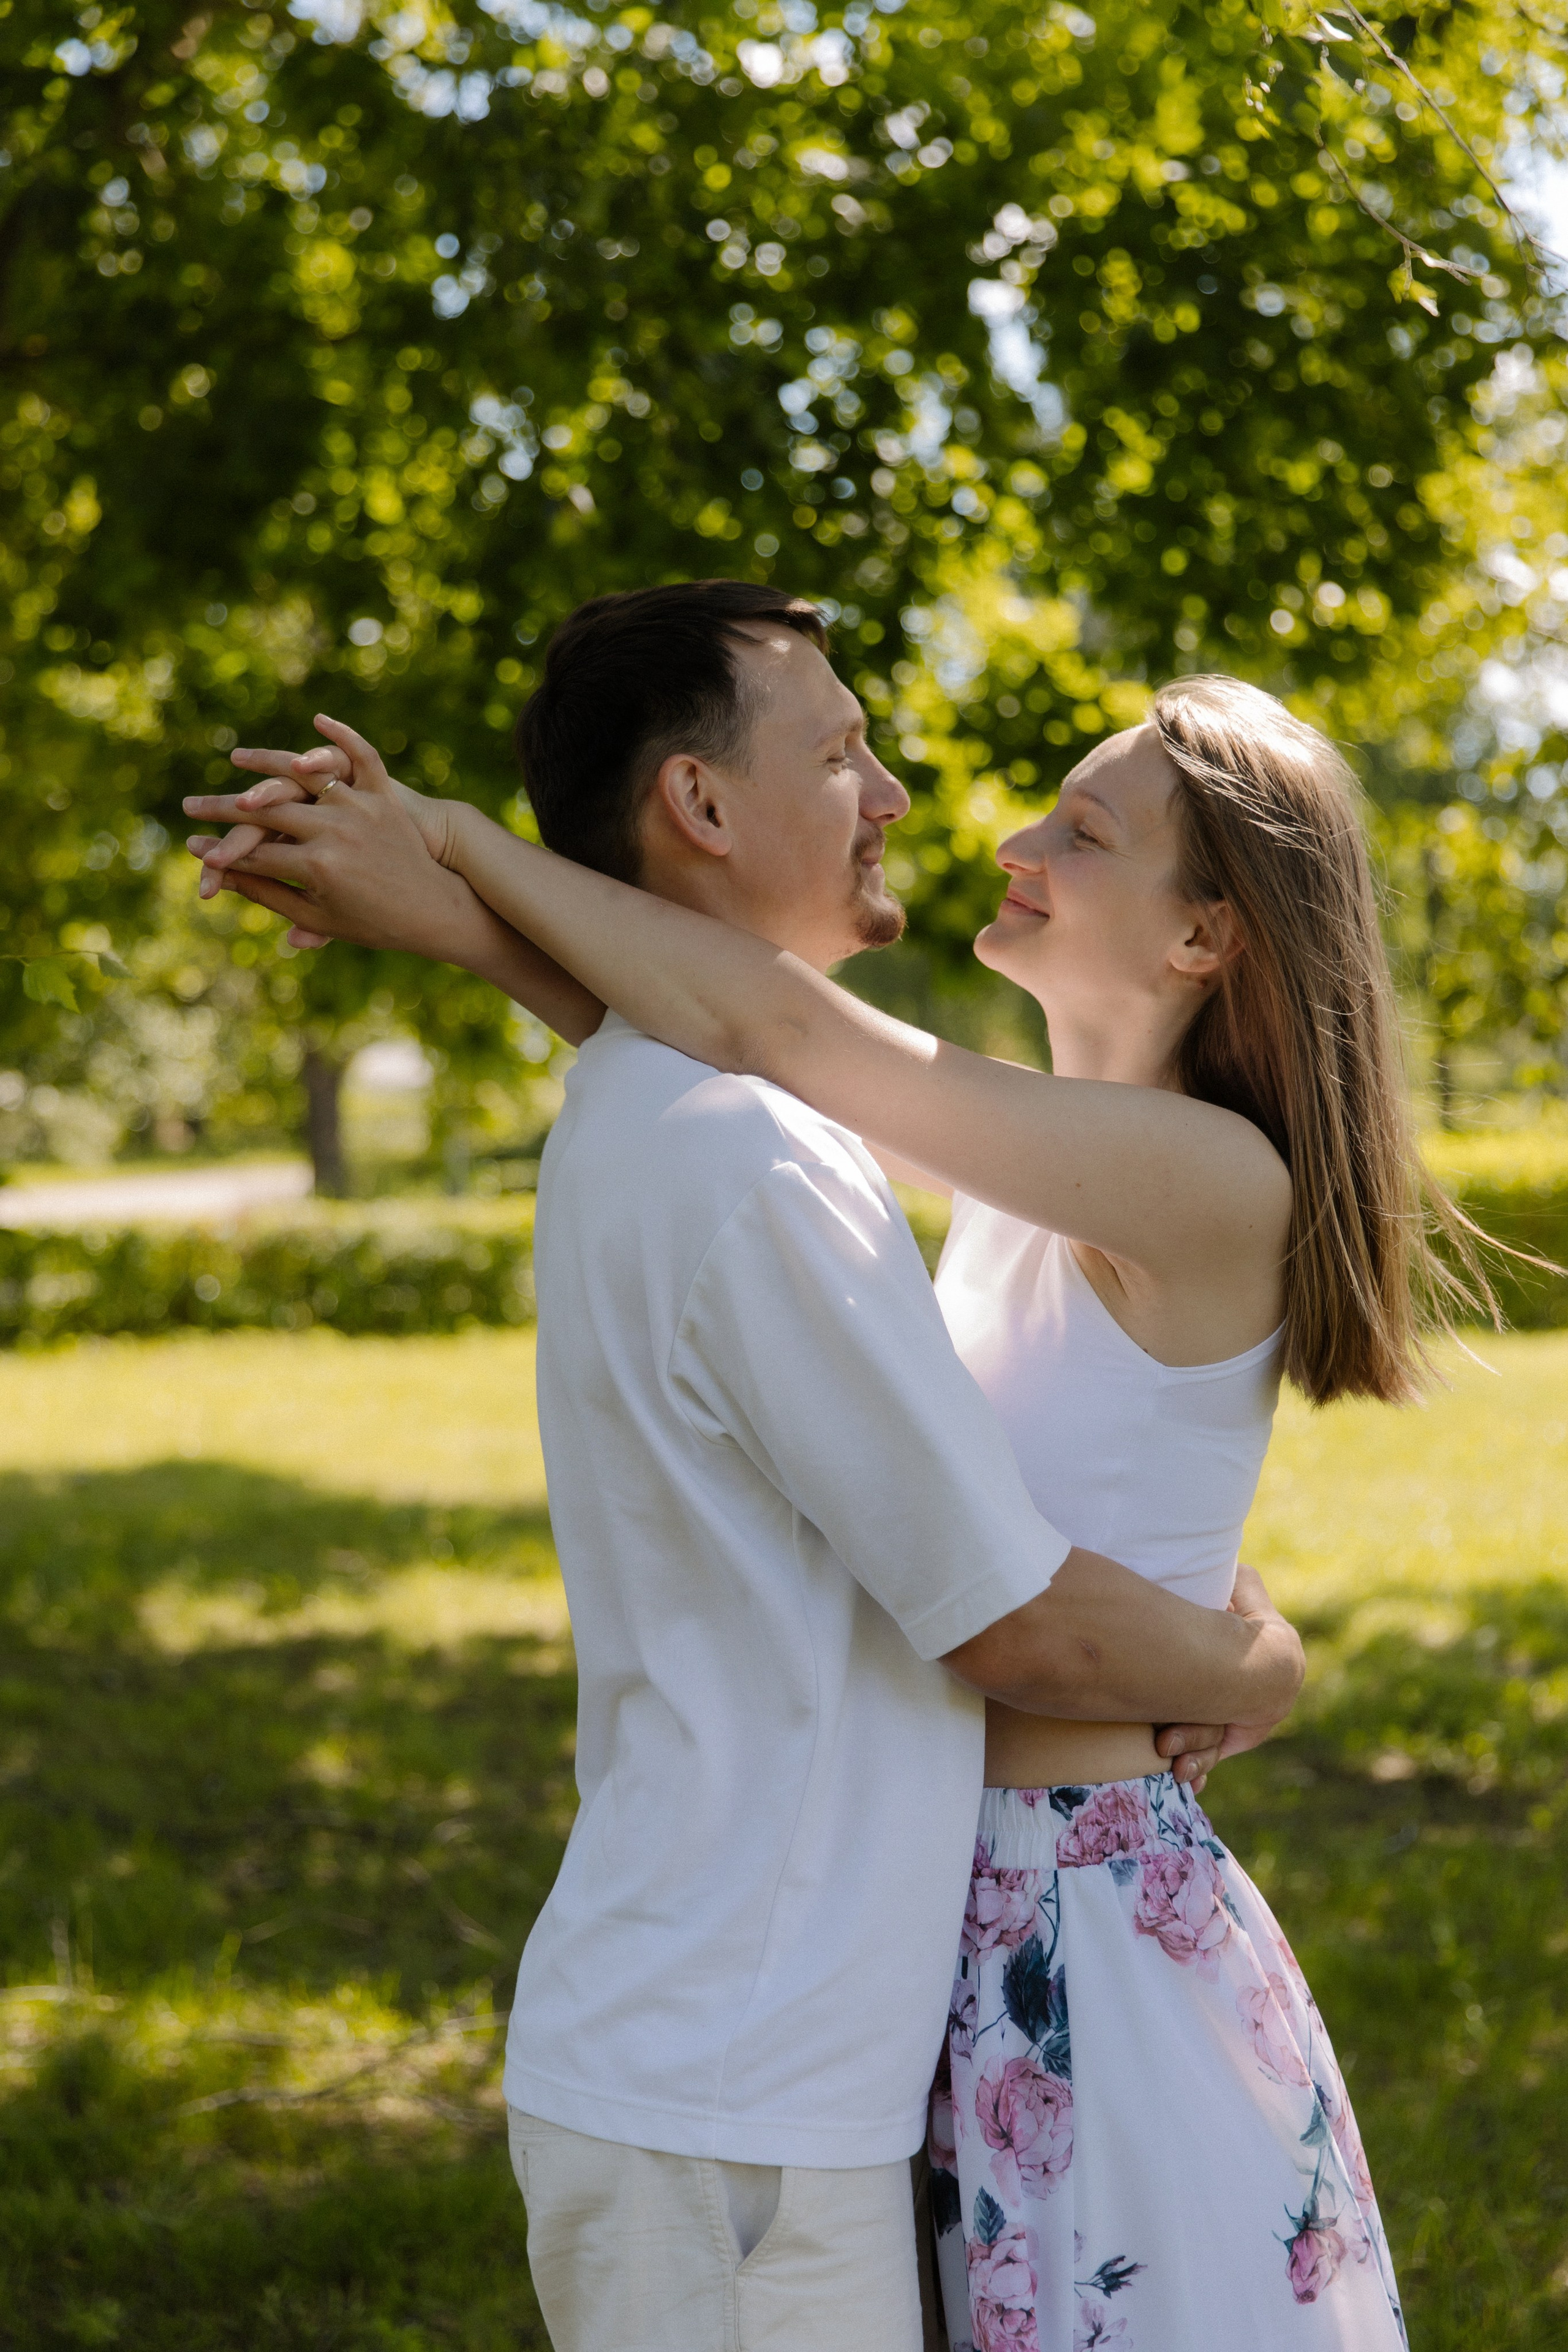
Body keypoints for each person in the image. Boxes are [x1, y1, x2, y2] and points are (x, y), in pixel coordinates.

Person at [182, 584, 1319, 2352]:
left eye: (1079, 832)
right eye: (845, 749)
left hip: (1057, 1928)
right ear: (704, 807)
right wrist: (1254, 1659)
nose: (963, 817)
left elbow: (764, 1051)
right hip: (873, 1989)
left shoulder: (1178, 1175)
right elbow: (744, 1062)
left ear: (1203, 943)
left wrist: (465, 870)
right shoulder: (880, 1158)